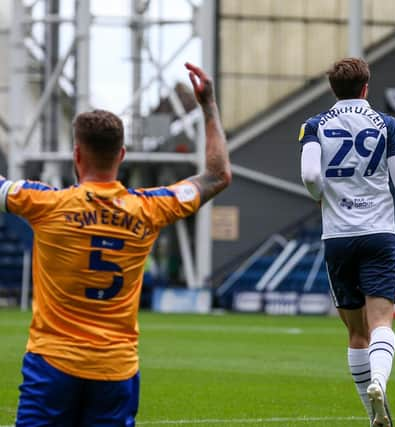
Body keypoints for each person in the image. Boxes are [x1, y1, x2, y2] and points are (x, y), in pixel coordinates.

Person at [5, 62, 231, 426]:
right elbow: (218, 176)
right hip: (115, 370)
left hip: (51, 365)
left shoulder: (45, 203)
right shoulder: (150, 208)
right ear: (121, 155)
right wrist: (208, 106)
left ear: (76, 154)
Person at [299, 57, 395, 427]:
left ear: (333, 89)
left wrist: (320, 194)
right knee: (382, 323)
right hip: (378, 233)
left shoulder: (313, 126)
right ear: (366, 87)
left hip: (338, 236)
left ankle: (374, 414)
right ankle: (379, 380)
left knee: (356, 332)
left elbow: (310, 175)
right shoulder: (386, 123)